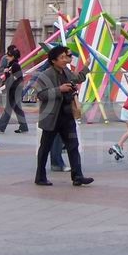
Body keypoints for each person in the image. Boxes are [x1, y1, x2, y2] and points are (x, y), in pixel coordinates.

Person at [34, 45, 93, 186]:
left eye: (66, 57)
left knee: (73, 145)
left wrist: (85, 67)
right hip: (51, 118)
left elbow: (77, 79)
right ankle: (40, 176)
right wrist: (59, 89)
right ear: (54, 60)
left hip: (67, 116)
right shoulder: (45, 75)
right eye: (62, 57)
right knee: (45, 148)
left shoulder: (66, 71)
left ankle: (78, 176)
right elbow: (40, 94)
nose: (66, 59)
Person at [0, 45, 28, 133]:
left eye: (8, 56)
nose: (7, 57)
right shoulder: (12, 65)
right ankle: (23, 126)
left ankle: (1, 125)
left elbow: (14, 78)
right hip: (15, 88)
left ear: (13, 56)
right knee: (17, 108)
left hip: (15, 89)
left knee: (9, 107)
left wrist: (7, 73)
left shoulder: (14, 66)